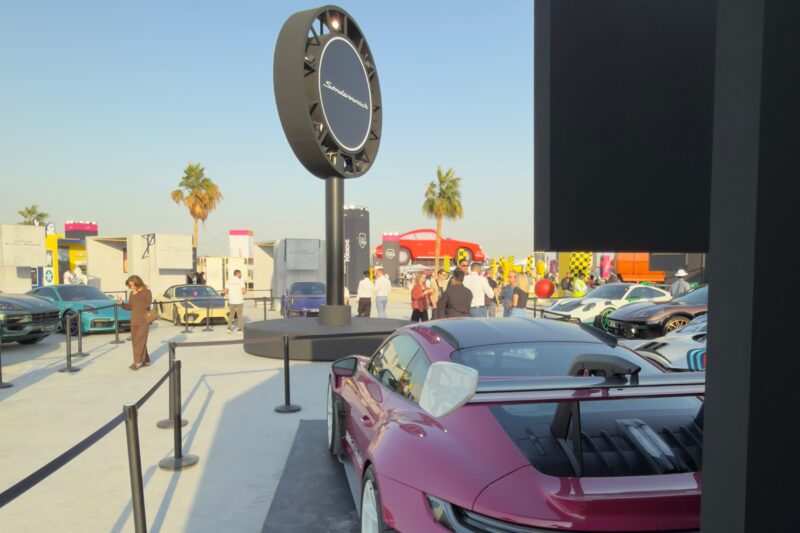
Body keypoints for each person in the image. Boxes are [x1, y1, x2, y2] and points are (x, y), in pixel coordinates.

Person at [117, 275, 152, 370]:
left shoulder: (147, 292)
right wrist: (122, 304)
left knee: (139, 340)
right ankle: (146, 360)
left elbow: (147, 305)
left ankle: (137, 362)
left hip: (144, 320)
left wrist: (138, 294)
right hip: (134, 320)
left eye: (132, 285)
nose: (131, 287)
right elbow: (130, 306)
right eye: (130, 285)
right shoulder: (132, 293)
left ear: (138, 283)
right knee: (136, 340)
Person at [224, 269, 247, 333]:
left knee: (231, 314)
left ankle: (228, 328)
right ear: (238, 274)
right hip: (239, 300)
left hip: (231, 300)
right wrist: (244, 291)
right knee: (239, 315)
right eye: (240, 273)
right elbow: (244, 292)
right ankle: (239, 329)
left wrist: (231, 293)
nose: (241, 275)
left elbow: (225, 291)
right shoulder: (241, 281)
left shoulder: (228, 281)